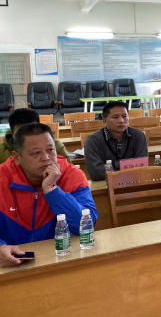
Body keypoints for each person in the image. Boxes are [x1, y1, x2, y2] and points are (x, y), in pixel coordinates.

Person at [0, 123, 98, 267]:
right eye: (35, 153)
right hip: (11, 264)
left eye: (50, 150)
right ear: (17, 157)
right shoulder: (2, 177)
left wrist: (52, 190)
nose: (46, 158)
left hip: (61, 260)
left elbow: (85, 226)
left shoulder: (72, 175)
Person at [84, 101, 148, 181]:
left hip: (134, 182)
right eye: (115, 117)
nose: (121, 120)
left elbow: (142, 165)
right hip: (105, 185)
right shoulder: (93, 140)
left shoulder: (138, 135)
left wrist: (112, 165)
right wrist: (130, 165)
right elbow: (96, 173)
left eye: (124, 116)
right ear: (104, 121)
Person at [0, 108, 70, 163]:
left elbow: (69, 172)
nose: (28, 136)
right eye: (21, 133)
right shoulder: (1, 151)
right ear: (12, 133)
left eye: (32, 131)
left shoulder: (56, 146)